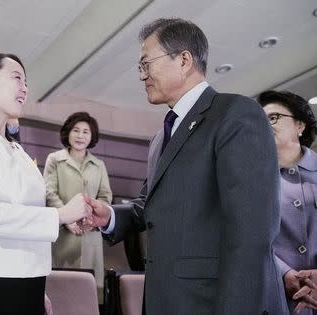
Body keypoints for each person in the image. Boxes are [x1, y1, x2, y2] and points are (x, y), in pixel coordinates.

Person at [84, 18, 288, 314]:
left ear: (183, 60)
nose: (142, 76)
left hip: (213, 302)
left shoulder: (235, 114)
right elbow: (150, 205)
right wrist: (111, 216)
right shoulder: (159, 139)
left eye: (146, 64)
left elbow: (251, 233)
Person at [0, 53, 91, 315]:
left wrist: (35, 283)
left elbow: (26, 219)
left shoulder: (18, 150)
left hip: (27, 282)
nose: (25, 88)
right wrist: (61, 214)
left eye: (26, 82)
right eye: (17, 78)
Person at [259, 90, 317, 314]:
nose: (265, 125)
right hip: (276, 298)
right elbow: (249, 239)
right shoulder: (251, 181)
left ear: (300, 125)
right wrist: (283, 272)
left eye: (273, 118)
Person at [43, 111, 112, 299]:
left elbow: (105, 196)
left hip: (90, 234)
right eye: (76, 130)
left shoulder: (99, 165)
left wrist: (91, 219)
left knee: (87, 297)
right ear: (68, 133)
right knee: (60, 294)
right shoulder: (55, 159)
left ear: (92, 137)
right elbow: (49, 192)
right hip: (62, 234)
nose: (80, 136)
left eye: (86, 132)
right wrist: (67, 219)